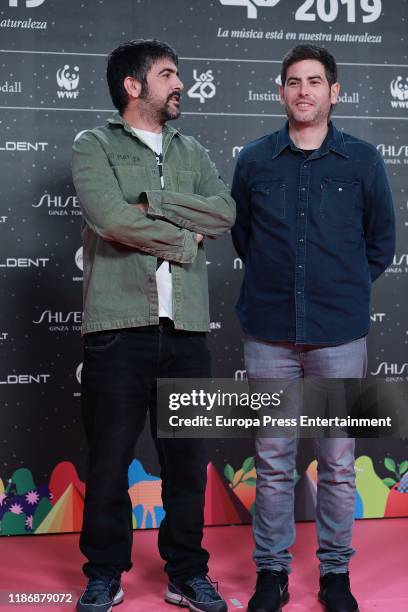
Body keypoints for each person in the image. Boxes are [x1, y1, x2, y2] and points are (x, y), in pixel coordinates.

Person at [72, 39, 235, 612]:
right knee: (110, 462)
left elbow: (224, 210)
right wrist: (182, 236)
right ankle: (104, 574)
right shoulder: (94, 145)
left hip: (187, 331)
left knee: (187, 464)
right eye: (168, 75)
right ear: (133, 86)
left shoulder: (192, 150)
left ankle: (187, 574)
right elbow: (109, 217)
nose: (179, 84)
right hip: (118, 331)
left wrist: (152, 203)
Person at [231, 44, 395, 612]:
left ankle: (334, 575)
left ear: (334, 91)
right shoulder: (254, 159)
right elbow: (244, 239)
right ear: (281, 91)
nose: (304, 90)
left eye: (315, 81)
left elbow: (380, 245)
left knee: (339, 463)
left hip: (337, 336)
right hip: (270, 335)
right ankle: (271, 574)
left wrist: (339, 287)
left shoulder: (363, 160)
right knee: (274, 462)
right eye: (294, 81)